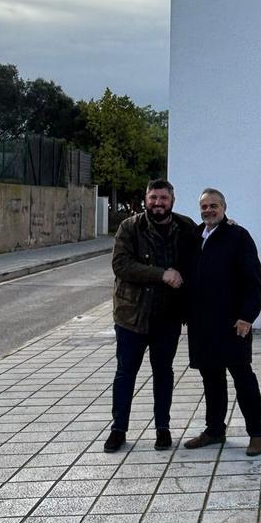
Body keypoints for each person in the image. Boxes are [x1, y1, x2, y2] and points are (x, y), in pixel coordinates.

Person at [105, 179, 197, 453]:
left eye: (164, 198)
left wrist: (228, 225)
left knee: (163, 374)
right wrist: (162, 274)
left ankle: (163, 428)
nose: (158, 203)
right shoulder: (129, 227)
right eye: (154, 197)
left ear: (173, 200)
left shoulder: (185, 226)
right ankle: (118, 430)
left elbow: (206, 241)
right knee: (125, 374)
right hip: (132, 316)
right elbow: (121, 265)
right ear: (146, 198)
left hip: (167, 318)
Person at [182, 187, 261, 456]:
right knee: (211, 380)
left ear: (224, 207)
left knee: (243, 379)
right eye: (204, 206)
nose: (208, 210)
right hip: (202, 324)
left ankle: (257, 433)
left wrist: (247, 317)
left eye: (214, 206)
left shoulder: (238, 236)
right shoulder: (195, 236)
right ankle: (215, 430)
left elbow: (254, 281)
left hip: (233, 324)